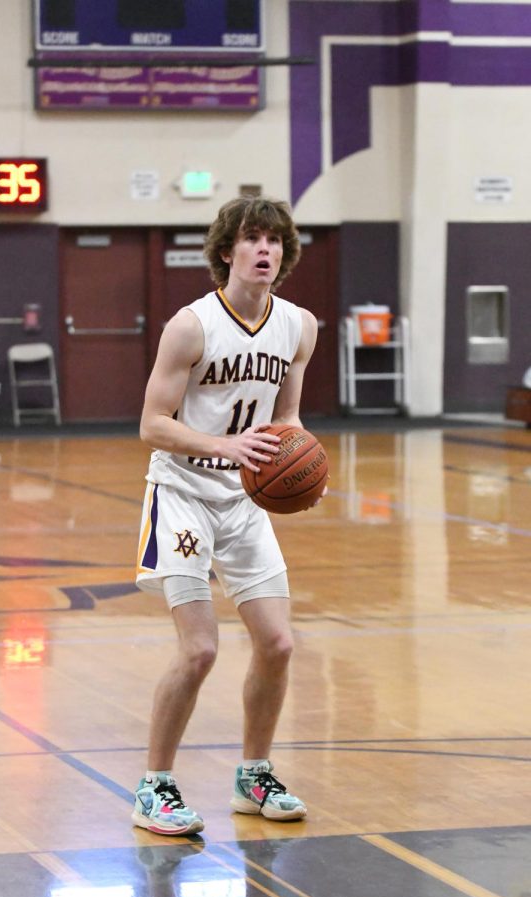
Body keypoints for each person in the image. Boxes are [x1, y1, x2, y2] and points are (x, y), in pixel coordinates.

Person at [133, 197, 318, 835]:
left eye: (274, 240)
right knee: (201, 650)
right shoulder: (191, 326)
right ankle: (154, 788)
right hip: (181, 493)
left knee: (278, 643)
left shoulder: (299, 326)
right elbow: (152, 425)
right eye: (253, 239)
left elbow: (286, 417)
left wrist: (299, 469)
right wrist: (223, 447)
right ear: (226, 251)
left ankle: (253, 775)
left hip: (243, 500)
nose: (265, 249)